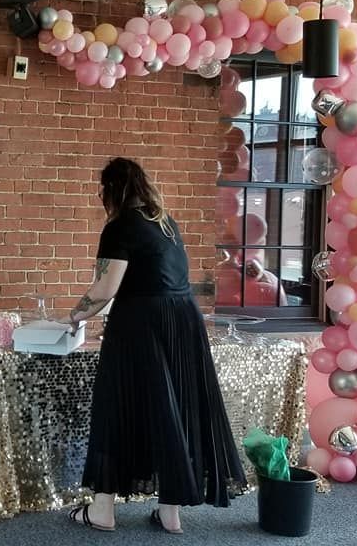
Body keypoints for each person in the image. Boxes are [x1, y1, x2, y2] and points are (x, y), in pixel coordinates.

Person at [64, 157, 245, 533]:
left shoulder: (120, 226)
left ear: (112, 190)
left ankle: (102, 510)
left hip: (142, 325)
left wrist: (75, 316)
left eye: (103, 190)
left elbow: (105, 289)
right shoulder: (164, 222)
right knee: (173, 408)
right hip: (182, 320)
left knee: (117, 405)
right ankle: (170, 512)